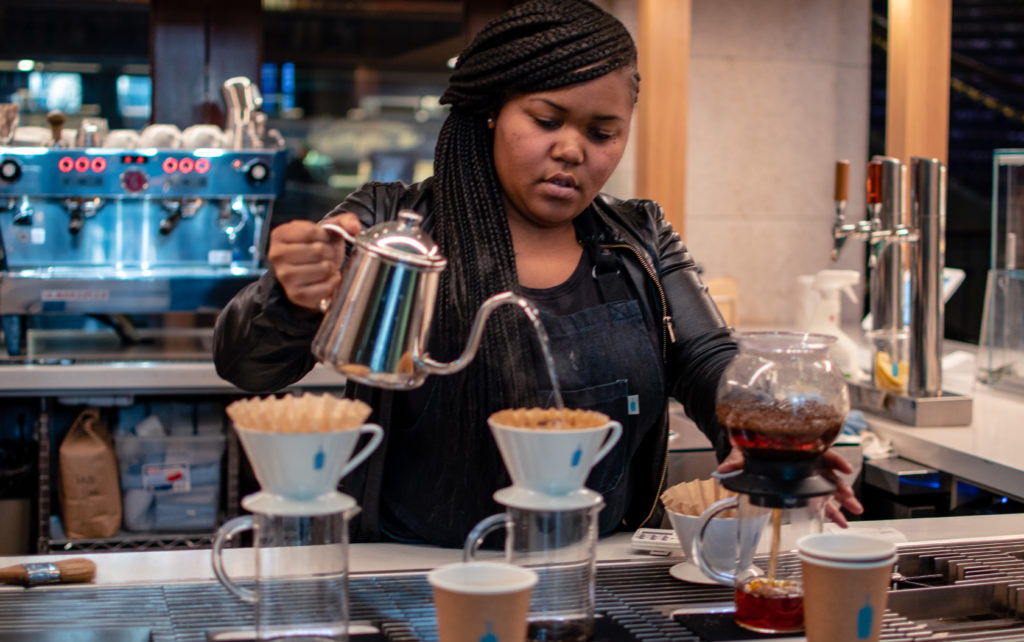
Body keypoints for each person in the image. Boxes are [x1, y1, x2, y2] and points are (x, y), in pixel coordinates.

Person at [214, 0, 861, 547]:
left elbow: (708, 360)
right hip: (416, 577)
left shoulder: (638, 237)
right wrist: (293, 297)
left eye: (603, 131)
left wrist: (768, 436)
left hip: (594, 574)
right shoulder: (396, 223)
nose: (573, 149)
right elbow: (247, 363)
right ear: (495, 109)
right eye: (547, 120)